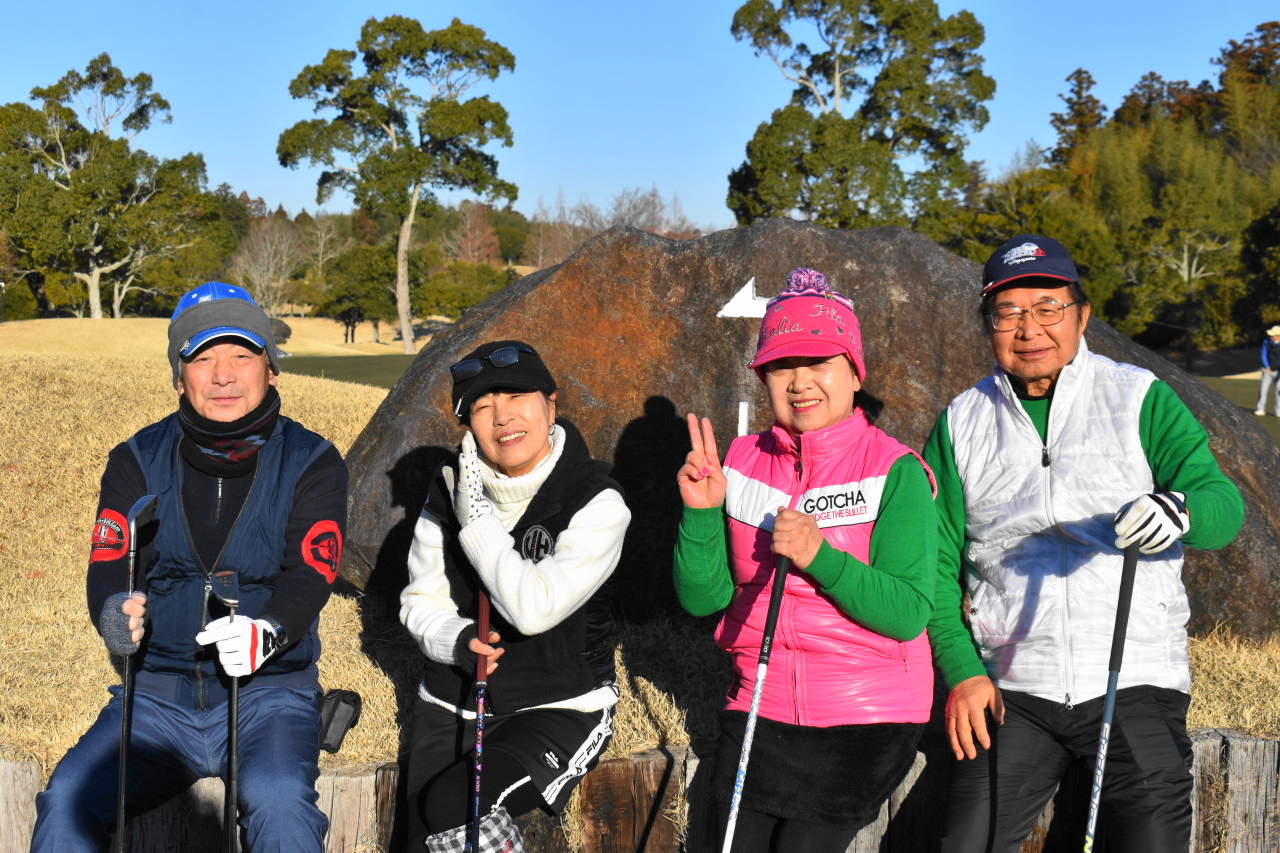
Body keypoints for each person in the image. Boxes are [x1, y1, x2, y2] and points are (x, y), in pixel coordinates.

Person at [925, 235, 1245, 852]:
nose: (1029, 328)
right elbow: (935, 564)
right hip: (1015, 686)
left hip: (1134, 679)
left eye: (1048, 307)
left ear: (1082, 315)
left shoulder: (1139, 396)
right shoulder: (961, 421)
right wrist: (963, 673)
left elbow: (1222, 507)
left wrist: (1179, 509)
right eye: (1008, 312)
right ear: (988, 325)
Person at [31, 282, 348, 852]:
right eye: (202, 359)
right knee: (66, 800)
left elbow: (312, 571)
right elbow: (110, 562)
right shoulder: (135, 458)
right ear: (180, 377)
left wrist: (269, 632)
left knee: (281, 802)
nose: (223, 375)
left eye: (242, 355)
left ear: (271, 369)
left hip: (269, 696)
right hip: (154, 698)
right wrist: (112, 612)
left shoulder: (314, 460)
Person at [674, 269, 938, 853]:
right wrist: (701, 513)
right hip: (758, 703)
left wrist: (820, 556)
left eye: (819, 362)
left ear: (854, 372)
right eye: (781, 366)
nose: (800, 382)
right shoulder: (739, 460)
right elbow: (703, 599)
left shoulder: (894, 470)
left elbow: (907, 614)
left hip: (867, 712)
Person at [400, 340, 631, 851]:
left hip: (560, 703)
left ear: (551, 403)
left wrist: (476, 522)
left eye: (517, 397)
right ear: (468, 425)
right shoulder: (446, 489)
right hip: (453, 701)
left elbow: (533, 610)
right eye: (482, 407)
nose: (502, 417)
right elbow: (419, 601)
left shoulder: (596, 499)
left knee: (453, 805)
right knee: (419, 837)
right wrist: (456, 640)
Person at [1255, 325, 1280, 415]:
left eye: (1272, 335)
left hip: (1278, 372)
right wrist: (1266, 366)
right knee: (1263, 390)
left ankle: (1278, 410)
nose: (1270, 336)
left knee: (1278, 390)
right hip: (1267, 370)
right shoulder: (1266, 342)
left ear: (1278, 336)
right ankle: (1260, 408)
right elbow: (1263, 354)